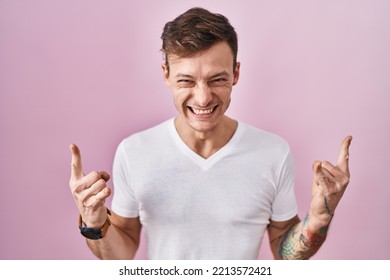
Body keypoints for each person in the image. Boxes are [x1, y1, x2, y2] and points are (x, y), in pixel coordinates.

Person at [69, 7, 352, 260]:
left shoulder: (273, 153)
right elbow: (122, 253)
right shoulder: (134, 152)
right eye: (186, 81)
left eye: (217, 79)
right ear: (166, 74)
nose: (203, 99)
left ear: (236, 73)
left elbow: (283, 251)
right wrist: (94, 224)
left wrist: (318, 217)